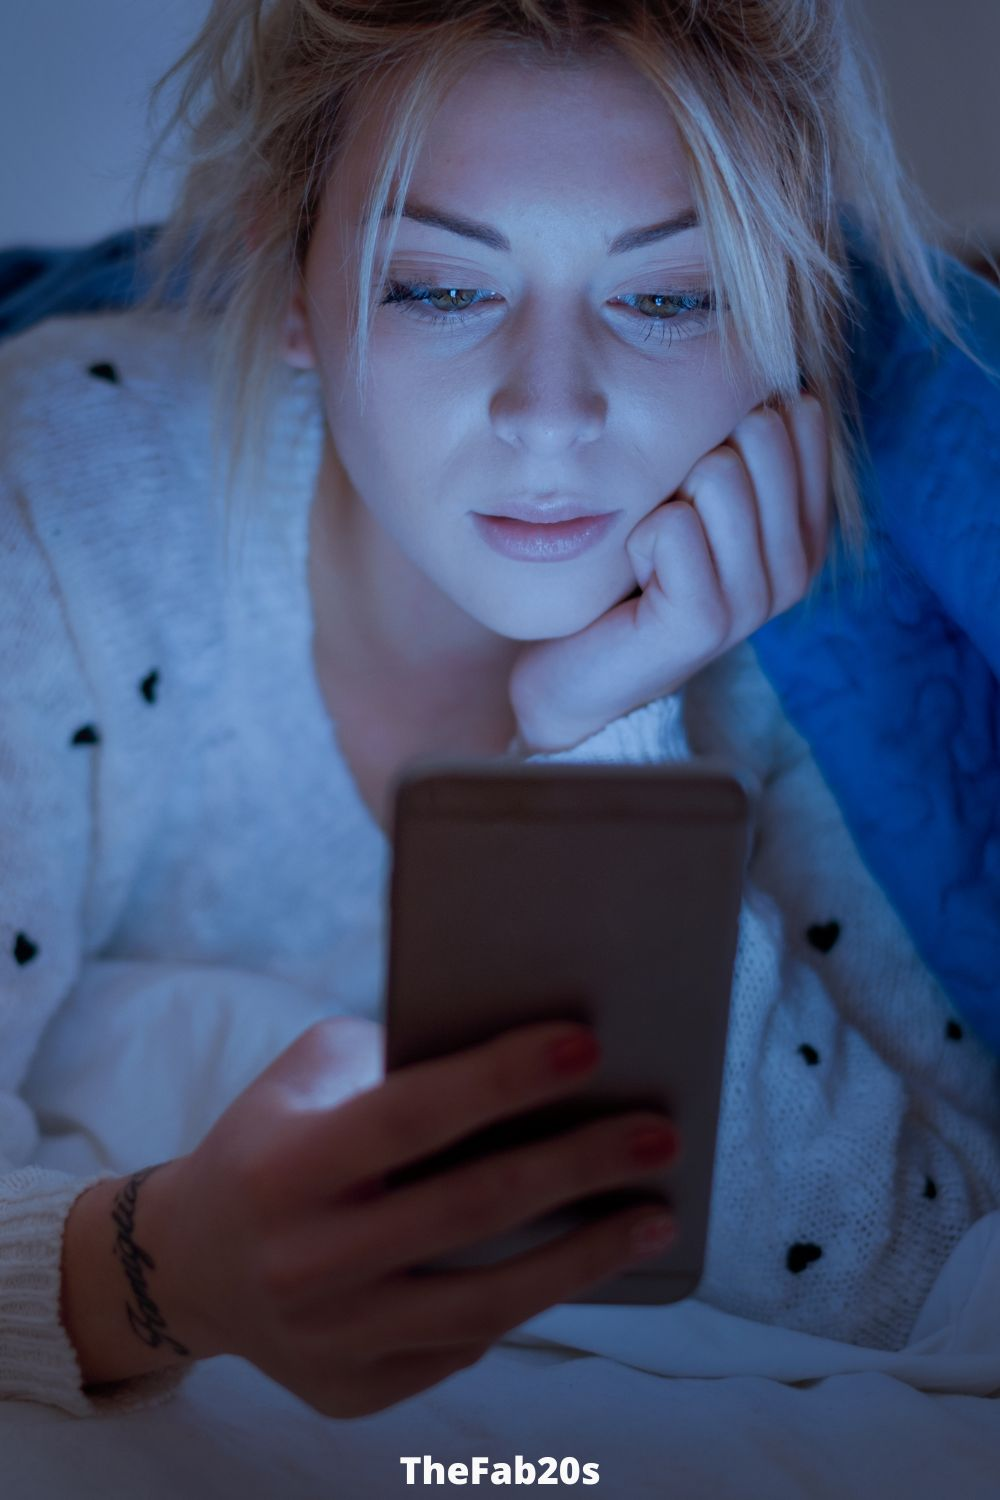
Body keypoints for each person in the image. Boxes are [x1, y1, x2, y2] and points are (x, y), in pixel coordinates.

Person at [1, 0, 999, 1423]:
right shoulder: (63, 503)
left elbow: (930, 1273)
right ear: (289, 286)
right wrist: (163, 1273)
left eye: (668, 295)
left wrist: (610, 737)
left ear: (786, 320)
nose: (550, 414)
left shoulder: (819, 632)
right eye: (439, 288)